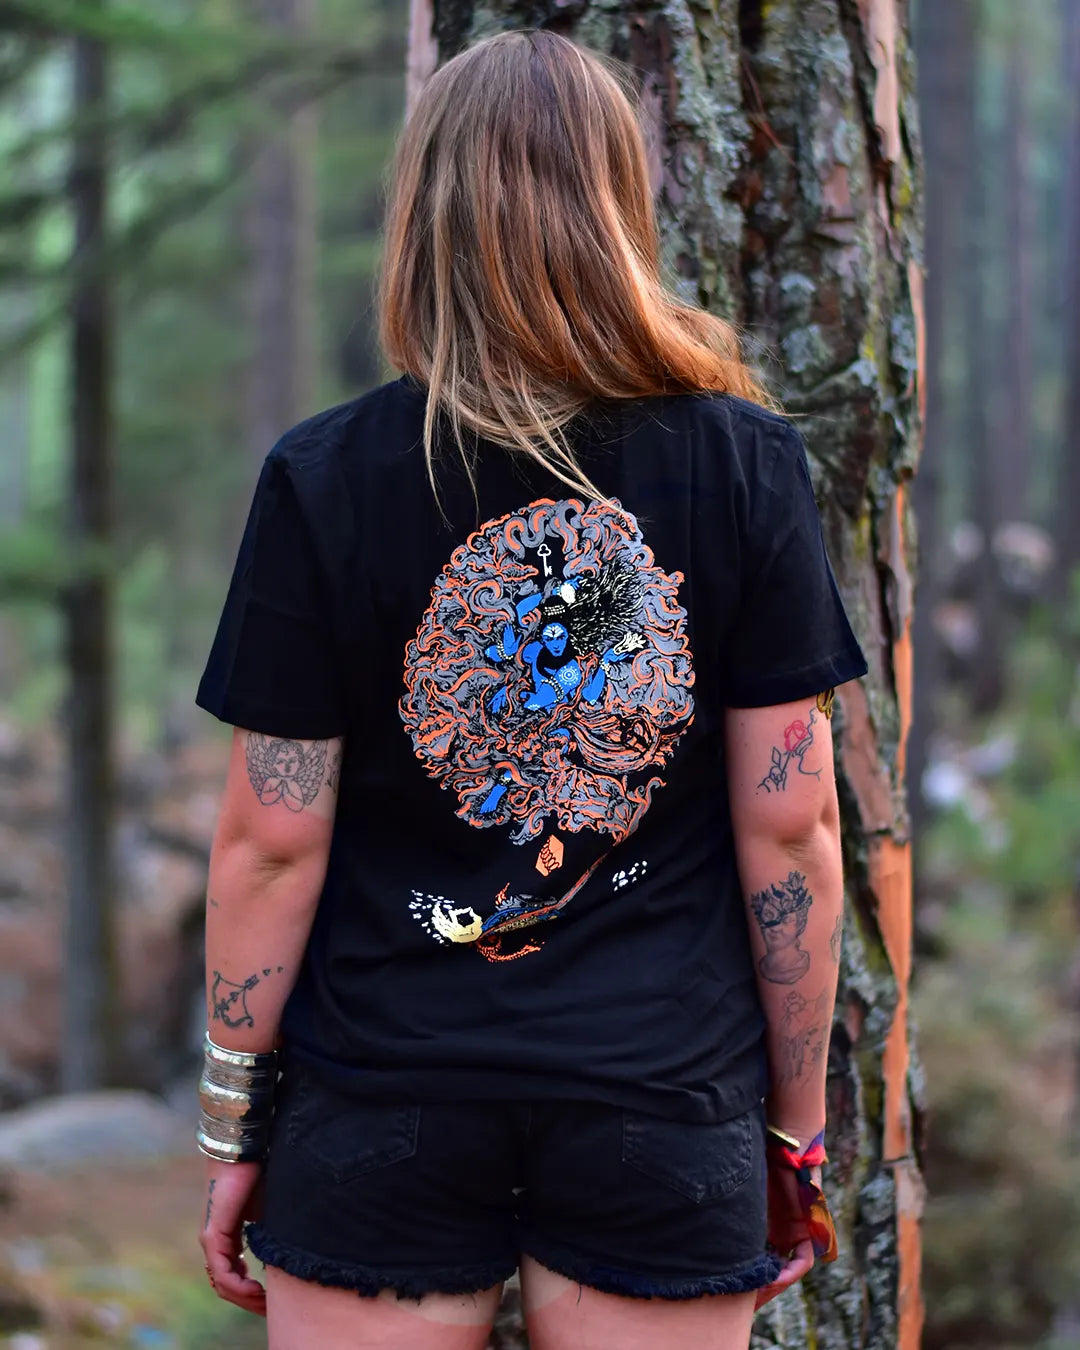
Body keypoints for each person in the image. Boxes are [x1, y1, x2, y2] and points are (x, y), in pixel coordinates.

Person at [194, 27, 867, 1350]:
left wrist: (233, 1128)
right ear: (619, 202)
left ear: (423, 214)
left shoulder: (326, 478)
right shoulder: (744, 465)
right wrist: (794, 1133)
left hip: (382, 1090)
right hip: (660, 1093)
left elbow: (271, 839)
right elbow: (792, 827)